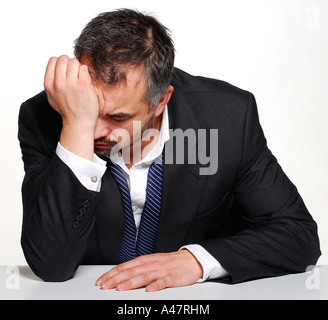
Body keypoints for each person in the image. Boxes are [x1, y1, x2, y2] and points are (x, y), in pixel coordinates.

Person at [18, 8, 320, 292]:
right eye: (89, 109)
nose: (95, 131)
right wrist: (74, 125)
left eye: (118, 117)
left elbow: (298, 236)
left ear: (161, 101)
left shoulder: (227, 117)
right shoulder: (42, 118)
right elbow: (51, 265)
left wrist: (197, 261)